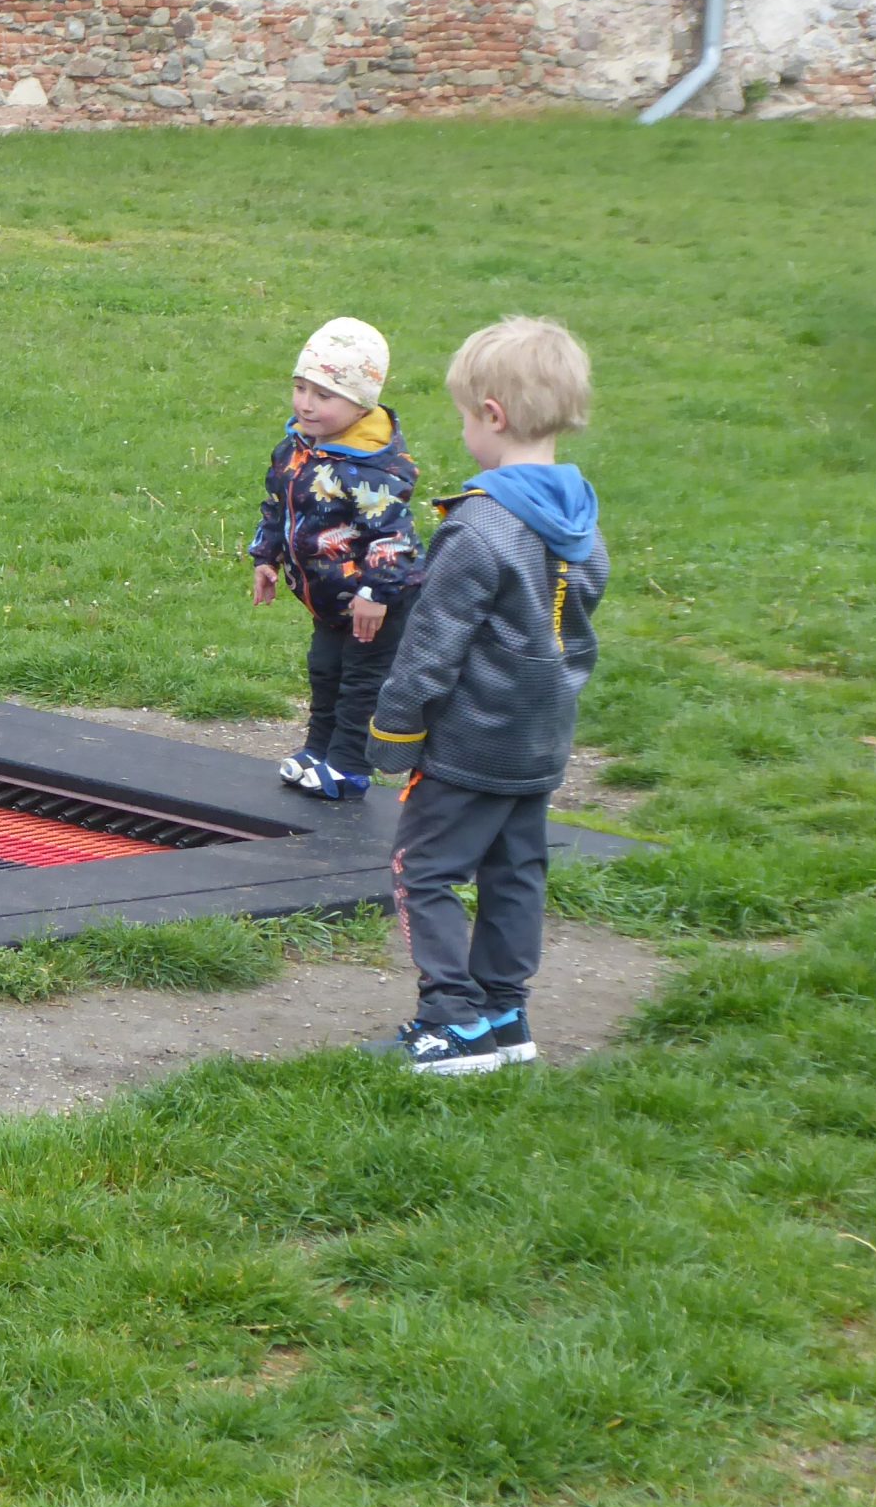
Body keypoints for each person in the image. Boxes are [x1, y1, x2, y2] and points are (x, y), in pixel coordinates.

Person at [365, 317, 608, 1073]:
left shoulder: (478, 528)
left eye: (466, 415)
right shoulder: (583, 523)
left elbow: (431, 647)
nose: (465, 428)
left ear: (492, 416)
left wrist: (394, 733)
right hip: (538, 740)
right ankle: (505, 1013)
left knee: (424, 871)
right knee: (515, 871)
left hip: (468, 745)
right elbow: (573, 631)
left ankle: (452, 1023)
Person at [250, 317, 426, 800]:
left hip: (376, 602)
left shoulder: (369, 468)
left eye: (324, 395)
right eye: (300, 387)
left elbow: (394, 538)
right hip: (331, 600)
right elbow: (278, 505)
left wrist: (375, 593)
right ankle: (318, 751)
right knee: (325, 670)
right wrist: (266, 556)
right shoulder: (296, 450)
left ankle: (348, 767)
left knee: (359, 683)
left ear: (361, 404)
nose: (305, 403)